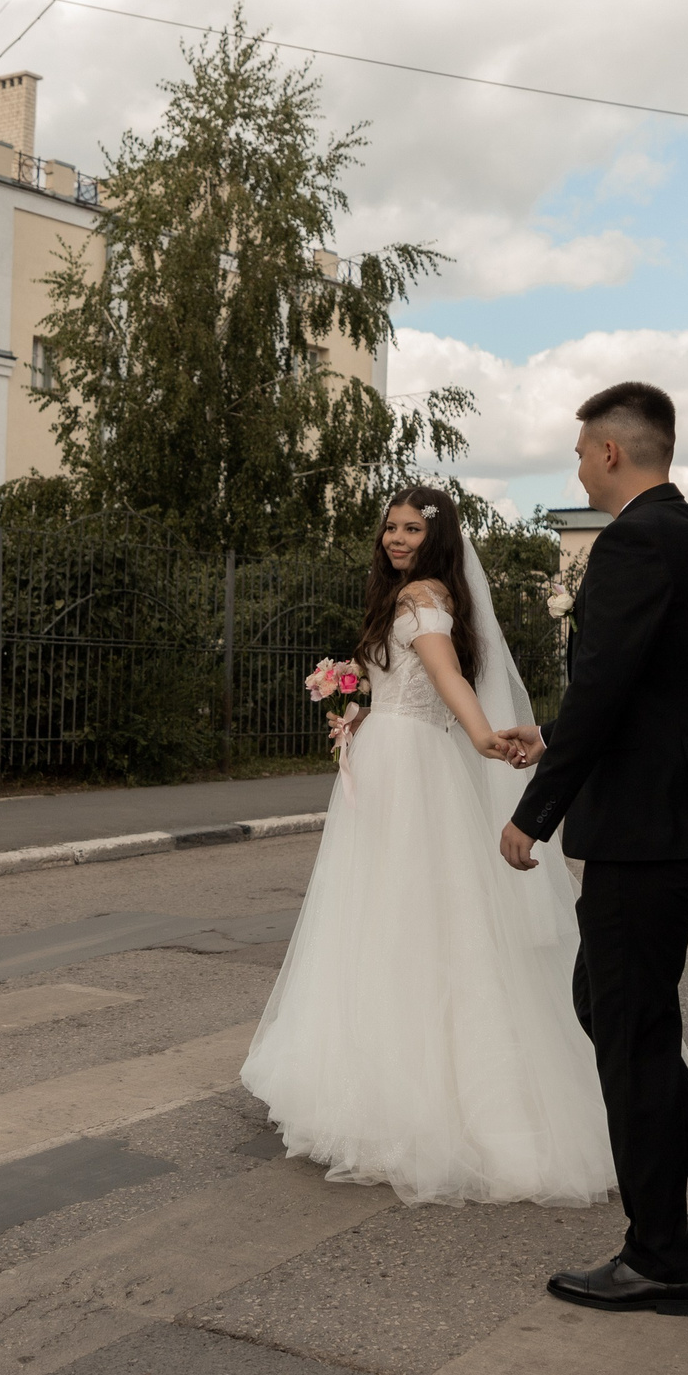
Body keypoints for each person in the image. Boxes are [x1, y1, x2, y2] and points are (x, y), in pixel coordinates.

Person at [241, 484, 620, 1213]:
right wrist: (358, 708)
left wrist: (483, 737)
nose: (396, 538)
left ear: (437, 536)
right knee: (386, 913)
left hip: (413, 766)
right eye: (390, 527)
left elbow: (445, 675)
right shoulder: (409, 596)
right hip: (390, 758)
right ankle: (381, 1077)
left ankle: (414, 1097)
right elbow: (409, 682)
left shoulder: (423, 599)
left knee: (407, 917)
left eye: (412, 527)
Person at [495, 382, 688, 1319]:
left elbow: (604, 687)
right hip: (686, 816)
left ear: (613, 452)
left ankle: (659, 1254)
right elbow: (650, 693)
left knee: (631, 1033)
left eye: (580, 452)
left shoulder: (638, 541)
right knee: (613, 1008)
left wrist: (535, 811)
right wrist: (563, 742)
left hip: (656, 830)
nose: (576, 465)